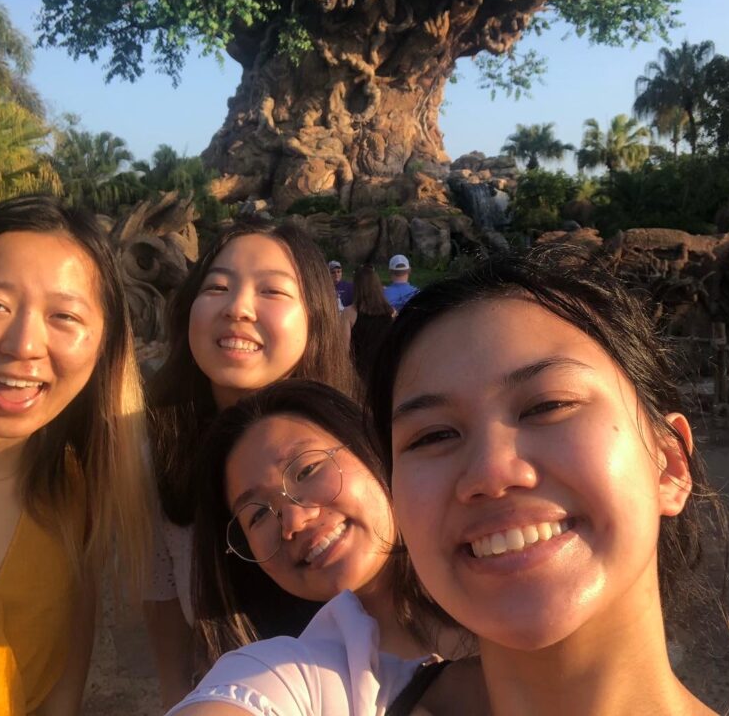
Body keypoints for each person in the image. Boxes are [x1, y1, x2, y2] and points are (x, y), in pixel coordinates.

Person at [367, 245, 729, 715]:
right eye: (434, 435)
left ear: (669, 464)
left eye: (547, 406)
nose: (491, 473)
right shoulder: (335, 695)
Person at [0, 195, 153, 715]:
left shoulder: (74, 489)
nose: (24, 344)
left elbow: (59, 696)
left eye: (64, 315)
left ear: (104, 344)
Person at [168, 379, 481, 716]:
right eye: (258, 514)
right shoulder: (289, 675)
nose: (293, 521)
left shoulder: (505, 590)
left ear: (371, 446)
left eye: (307, 470)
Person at [144, 222, 358, 709]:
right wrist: (178, 690)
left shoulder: (361, 441)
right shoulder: (158, 445)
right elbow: (158, 590)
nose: (237, 308)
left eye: (272, 291)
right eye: (217, 287)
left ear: (315, 317)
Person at [340, 264, 395, 383]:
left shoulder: (349, 313)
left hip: (359, 374)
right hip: (384, 372)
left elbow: (343, 350)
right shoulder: (391, 312)